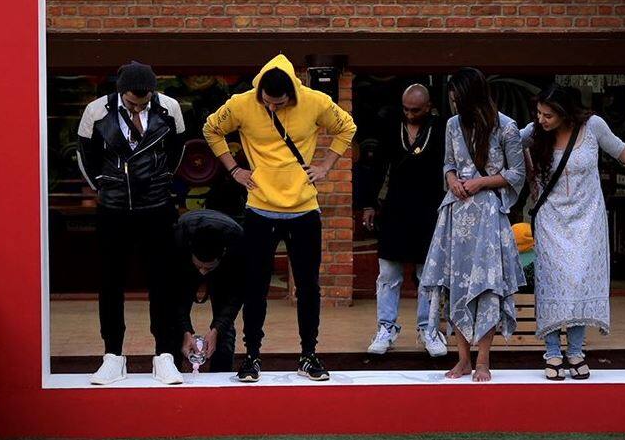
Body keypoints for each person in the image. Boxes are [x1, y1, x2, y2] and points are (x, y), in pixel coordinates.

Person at [203, 54, 357, 382]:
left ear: (292, 95)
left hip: (303, 208)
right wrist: (234, 169)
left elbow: (347, 127)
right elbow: (211, 129)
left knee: (308, 287)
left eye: (280, 103)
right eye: (268, 102)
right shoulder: (243, 103)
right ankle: (252, 357)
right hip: (260, 208)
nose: (272, 107)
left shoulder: (314, 101)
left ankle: (308, 355)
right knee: (255, 286)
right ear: (260, 92)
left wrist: (326, 166)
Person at [521, 84, 625, 380]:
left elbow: (619, 149)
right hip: (551, 219)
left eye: (548, 115)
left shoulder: (593, 126)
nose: (541, 119)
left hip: (587, 219)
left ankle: (576, 352)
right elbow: (506, 138)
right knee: (552, 282)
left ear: (565, 112)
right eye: (539, 113)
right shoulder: (535, 132)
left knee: (580, 282)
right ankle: (552, 353)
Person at [77, 61, 186, 385]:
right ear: (120, 92)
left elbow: (176, 151)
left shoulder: (169, 108)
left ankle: (164, 354)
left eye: (143, 102)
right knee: (110, 282)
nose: (138, 108)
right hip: (113, 208)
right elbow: (86, 155)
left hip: (157, 206)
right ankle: (112, 354)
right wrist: (104, 187)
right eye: (131, 103)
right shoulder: (97, 111)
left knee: (162, 282)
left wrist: (162, 182)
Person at [420, 67, 526, 382]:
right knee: (455, 284)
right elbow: (448, 163)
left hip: (488, 215)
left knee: (487, 286)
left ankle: (483, 360)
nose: (454, 105)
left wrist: (481, 182)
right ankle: (463, 359)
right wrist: (451, 179)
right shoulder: (452, 125)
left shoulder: (506, 127)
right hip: (456, 213)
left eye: (458, 100)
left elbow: (517, 173)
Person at [361, 84, 447, 356]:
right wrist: (369, 203)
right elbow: (376, 167)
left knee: (428, 275)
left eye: (416, 110)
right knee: (388, 273)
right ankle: (386, 328)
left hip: (429, 209)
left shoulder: (441, 129)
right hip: (394, 208)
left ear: (429, 106)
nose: (410, 114)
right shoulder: (390, 126)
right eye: (406, 109)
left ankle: (428, 329)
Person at [173, 209, 244, 373]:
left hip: (227, 266)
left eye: (208, 268)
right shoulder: (177, 239)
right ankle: (172, 368)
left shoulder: (238, 245)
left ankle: (221, 373)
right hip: (183, 260)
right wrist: (186, 331)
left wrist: (216, 330)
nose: (203, 273)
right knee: (174, 322)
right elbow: (174, 297)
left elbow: (233, 299)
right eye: (199, 266)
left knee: (224, 326)